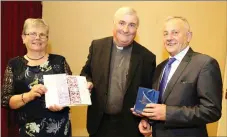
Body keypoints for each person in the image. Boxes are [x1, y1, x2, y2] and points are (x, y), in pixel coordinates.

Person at [134, 16, 223, 137]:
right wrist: (147, 120)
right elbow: (158, 105)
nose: (169, 38)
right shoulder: (160, 68)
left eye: (175, 33)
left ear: (189, 36)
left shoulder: (205, 64)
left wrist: (168, 113)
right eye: (165, 34)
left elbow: (211, 111)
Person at [80, 7, 156, 137]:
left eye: (132, 25)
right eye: (121, 23)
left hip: (130, 126)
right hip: (98, 123)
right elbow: (86, 73)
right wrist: (87, 82)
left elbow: (148, 91)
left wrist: (145, 119)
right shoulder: (97, 46)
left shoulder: (147, 57)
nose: (126, 29)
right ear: (114, 24)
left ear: (137, 29)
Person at [1, 18, 72, 137]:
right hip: (28, 130)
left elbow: (71, 92)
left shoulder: (60, 61)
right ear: (23, 38)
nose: (38, 37)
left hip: (59, 129)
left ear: (47, 39)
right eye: (33, 33)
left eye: (42, 34)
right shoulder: (14, 64)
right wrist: (28, 95)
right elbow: (5, 100)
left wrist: (63, 104)